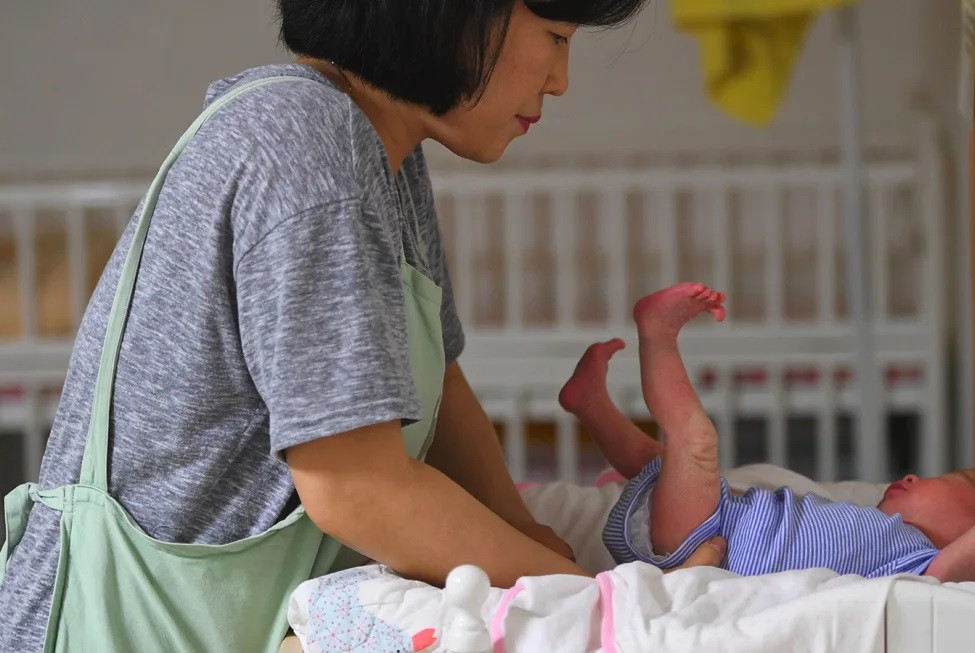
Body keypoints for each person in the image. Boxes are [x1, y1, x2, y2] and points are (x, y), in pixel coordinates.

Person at [0, 2, 728, 651]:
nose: (560, 79)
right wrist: (607, 600)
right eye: (554, 36)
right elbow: (356, 487)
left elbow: (441, 388)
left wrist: (534, 545)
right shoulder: (307, 143)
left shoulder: (385, 154)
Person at [559, 282, 975, 582]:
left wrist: (948, 578)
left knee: (694, 443)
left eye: (949, 482)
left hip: (711, 541)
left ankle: (659, 333)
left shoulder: (919, 572)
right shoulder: (894, 543)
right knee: (663, 460)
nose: (915, 476)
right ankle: (594, 406)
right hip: (721, 523)